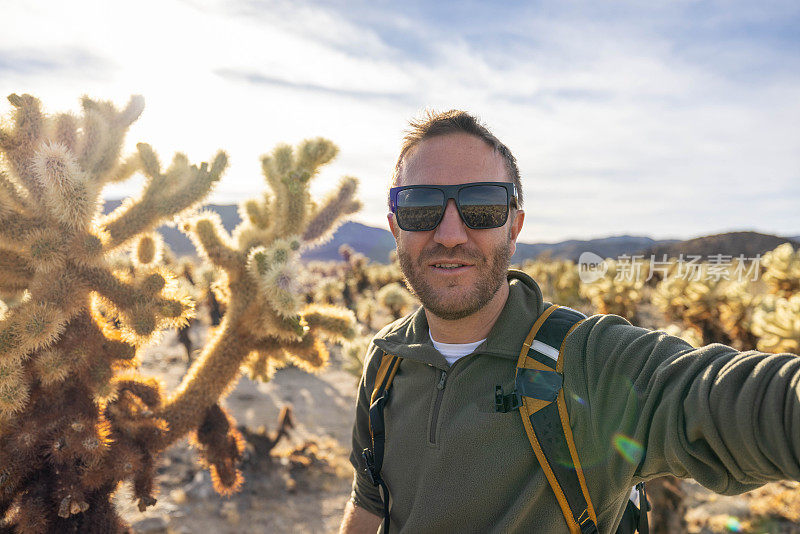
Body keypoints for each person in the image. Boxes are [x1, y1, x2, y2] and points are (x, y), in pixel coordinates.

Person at [338, 110, 800, 533]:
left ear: (514, 228)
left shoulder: (586, 359)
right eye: (421, 207)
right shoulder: (386, 361)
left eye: (482, 207)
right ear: (396, 227)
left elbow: (729, 399)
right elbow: (369, 500)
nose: (451, 234)